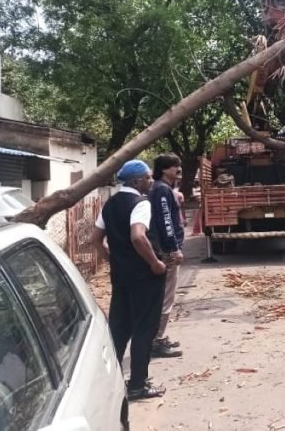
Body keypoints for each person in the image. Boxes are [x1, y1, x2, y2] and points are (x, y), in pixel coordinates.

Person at [92, 159, 167, 400]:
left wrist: (112, 259)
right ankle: (137, 384)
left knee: (120, 328)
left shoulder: (110, 204)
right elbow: (138, 236)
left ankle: (109, 381)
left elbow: (95, 239)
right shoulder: (140, 203)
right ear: (136, 181)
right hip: (144, 276)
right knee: (144, 329)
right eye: (147, 177)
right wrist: (155, 263)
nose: (151, 181)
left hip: (121, 276)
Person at [148, 154, 185, 358]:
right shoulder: (162, 190)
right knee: (166, 297)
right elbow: (166, 222)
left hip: (163, 249)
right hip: (166, 252)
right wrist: (173, 248)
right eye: (174, 166)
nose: (178, 169)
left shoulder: (163, 189)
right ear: (164, 170)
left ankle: (158, 337)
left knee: (164, 295)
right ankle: (157, 340)